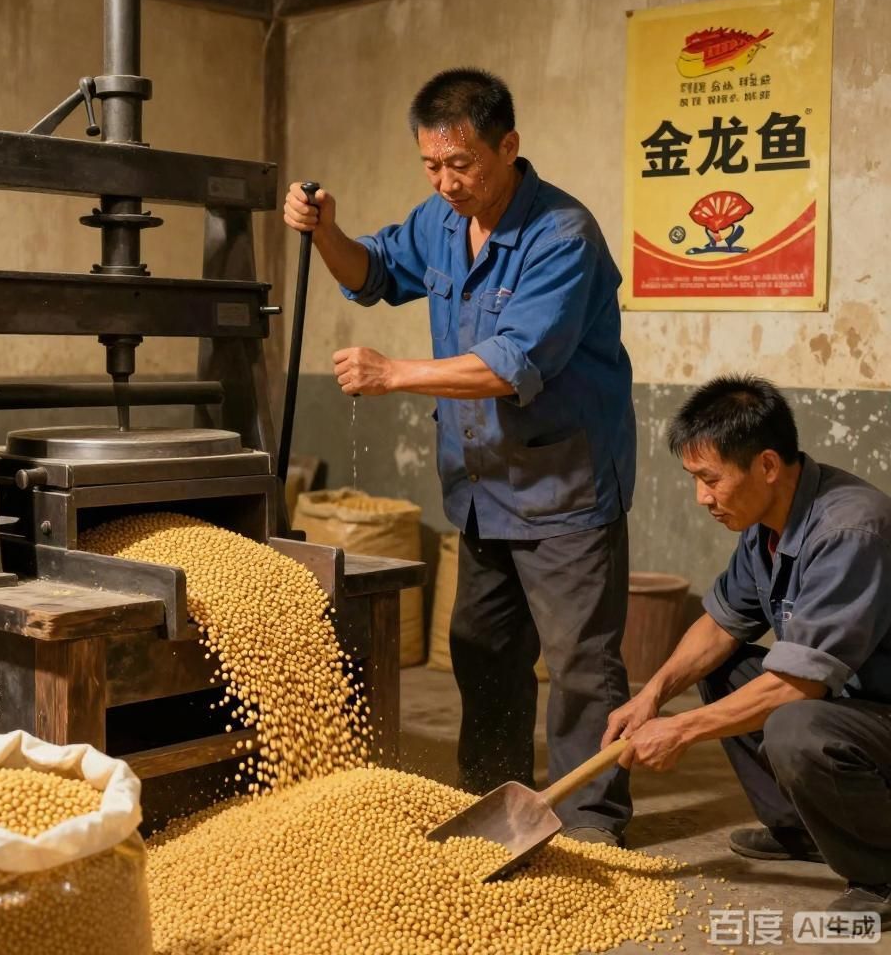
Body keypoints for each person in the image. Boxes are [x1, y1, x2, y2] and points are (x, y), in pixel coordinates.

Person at [284, 68, 636, 844]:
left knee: (581, 666)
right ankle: (493, 799)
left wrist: (393, 374)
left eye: (461, 164)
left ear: (508, 147)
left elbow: (513, 364)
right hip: (482, 485)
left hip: (562, 486)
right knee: (482, 649)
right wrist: (326, 232)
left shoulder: (562, 236)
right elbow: (374, 273)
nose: (446, 183)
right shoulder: (440, 222)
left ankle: (592, 820)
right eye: (431, 165)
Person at [604, 375, 891, 923]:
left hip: (878, 712)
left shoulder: (851, 530)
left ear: (767, 465)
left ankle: (881, 871)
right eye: (695, 479)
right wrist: (653, 696)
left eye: (710, 479)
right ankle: (804, 830)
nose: (702, 498)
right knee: (723, 671)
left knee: (795, 725)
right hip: (855, 706)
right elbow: (720, 626)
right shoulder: (765, 525)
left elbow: (799, 685)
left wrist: (681, 730)